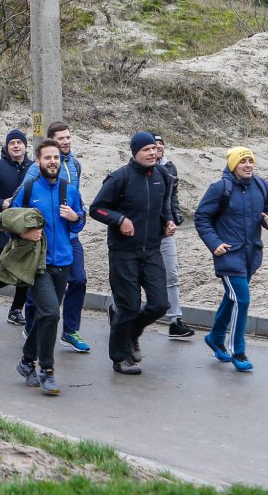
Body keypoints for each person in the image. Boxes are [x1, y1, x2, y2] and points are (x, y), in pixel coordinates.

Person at [3, 139, 84, 394]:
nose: (53, 162)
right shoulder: (28, 190)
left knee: (44, 315)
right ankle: (46, 370)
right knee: (50, 313)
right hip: (36, 263)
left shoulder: (69, 190)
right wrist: (24, 234)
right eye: (48, 158)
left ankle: (26, 361)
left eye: (56, 158)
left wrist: (76, 218)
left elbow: (78, 222)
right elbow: (8, 221)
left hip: (63, 261)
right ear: (38, 162)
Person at [89, 131, 174, 375]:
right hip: (123, 252)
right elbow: (97, 209)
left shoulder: (162, 176)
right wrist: (119, 219)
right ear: (134, 152)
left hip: (151, 250)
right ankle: (119, 357)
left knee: (160, 304)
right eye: (146, 149)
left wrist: (168, 222)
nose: (152, 153)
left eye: (154, 149)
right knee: (129, 306)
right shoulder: (120, 177)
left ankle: (132, 331)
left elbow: (163, 207)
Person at [195, 147, 268, 372]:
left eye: (251, 160)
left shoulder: (261, 185)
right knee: (241, 299)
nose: (248, 165)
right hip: (229, 255)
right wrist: (214, 244)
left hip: (251, 255)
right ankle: (237, 351)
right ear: (233, 165)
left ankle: (215, 337)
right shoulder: (220, 188)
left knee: (232, 298)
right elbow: (201, 217)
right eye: (243, 162)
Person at [22, 122, 90, 353]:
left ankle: (70, 331)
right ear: (52, 141)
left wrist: (76, 216)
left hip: (69, 237)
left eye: (69, 137)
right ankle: (31, 326)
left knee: (79, 280)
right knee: (39, 291)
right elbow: (21, 202)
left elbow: (76, 202)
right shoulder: (35, 170)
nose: (66, 142)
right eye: (61, 139)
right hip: (42, 241)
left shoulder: (75, 164)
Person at [0, 128, 33, 326]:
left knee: (26, 271)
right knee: (10, 270)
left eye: (19, 142)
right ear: (6, 146)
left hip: (26, 228)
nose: (15, 145)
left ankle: (15, 310)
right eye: (11, 142)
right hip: (2, 228)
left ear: (25, 146)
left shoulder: (33, 167)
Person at [154, 133, 195, 339]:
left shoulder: (170, 168)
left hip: (166, 233)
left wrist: (175, 216)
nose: (158, 148)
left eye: (161, 144)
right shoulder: (134, 171)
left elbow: (172, 197)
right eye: (153, 145)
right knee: (134, 277)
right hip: (142, 235)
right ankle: (118, 311)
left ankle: (175, 320)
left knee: (172, 274)